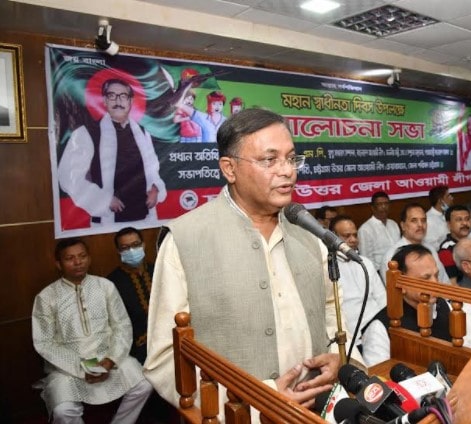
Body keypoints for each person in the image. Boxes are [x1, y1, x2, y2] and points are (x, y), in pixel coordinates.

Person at [144, 108, 361, 419]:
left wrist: (341, 358)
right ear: (229, 169)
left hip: (317, 408)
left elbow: (331, 309)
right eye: (270, 160)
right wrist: (256, 401)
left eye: (291, 158)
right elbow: (166, 358)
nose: (287, 171)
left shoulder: (308, 231)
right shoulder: (185, 240)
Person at [32, 238, 152, 423]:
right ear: (59, 264)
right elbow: (45, 342)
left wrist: (110, 360)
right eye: (70, 258)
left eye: (82, 256)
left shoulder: (105, 286)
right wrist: (83, 368)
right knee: (63, 411)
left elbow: (122, 325)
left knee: (144, 384)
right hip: (68, 367)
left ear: (89, 258)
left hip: (108, 357)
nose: (78, 262)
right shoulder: (47, 297)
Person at [57, 78, 167, 225]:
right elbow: (68, 177)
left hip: (144, 218)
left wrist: (155, 188)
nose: (118, 101)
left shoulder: (142, 133)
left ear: (131, 101)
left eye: (123, 96)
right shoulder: (87, 133)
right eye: (112, 96)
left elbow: (152, 170)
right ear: (104, 100)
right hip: (107, 223)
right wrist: (103, 200)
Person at [391, 244, 471, 349]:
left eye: (436, 276)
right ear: (402, 284)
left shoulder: (454, 309)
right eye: (425, 278)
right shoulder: (383, 325)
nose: (435, 283)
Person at [330, 215, 389, 366]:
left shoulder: (366, 263)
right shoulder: (328, 268)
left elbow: (383, 300)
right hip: (353, 340)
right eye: (347, 236)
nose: (353, 239)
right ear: (333, 237)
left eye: (355, 235)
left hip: (378, 331)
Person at [107, 227, 153, 364]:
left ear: (143, 245)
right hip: (136, 347)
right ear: (118, 251)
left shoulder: (159, 269)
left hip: (167, 337)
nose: (132, 250)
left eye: (136, 245)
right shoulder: (112, 282)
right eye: (125, 248)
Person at [379, 203, 450, 284]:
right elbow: (394, 289)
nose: (420, 225)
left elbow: (445, 281)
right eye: (414, 221)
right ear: (403, 226)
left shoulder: (431, 249)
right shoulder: (392, 255)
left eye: (423, 220)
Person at [358, 191, 401, 272]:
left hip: (398, 268)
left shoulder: (393, 224)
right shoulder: (365, 229)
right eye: (379, 204)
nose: (384, 207)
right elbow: (365, 257)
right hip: (378, 271)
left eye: (386, 203)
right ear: (372, 207)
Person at [437, 205, 471, 284]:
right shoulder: (446, 251)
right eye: (459, 220)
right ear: (449, 225)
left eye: (467, 219)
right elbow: (453, 284)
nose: (464, 223)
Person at [424, 185, 453, 249]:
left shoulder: (447, 214)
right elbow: (431, 244)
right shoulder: (429, 219)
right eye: (448, 196)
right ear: (440, 201)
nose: (452, 198)